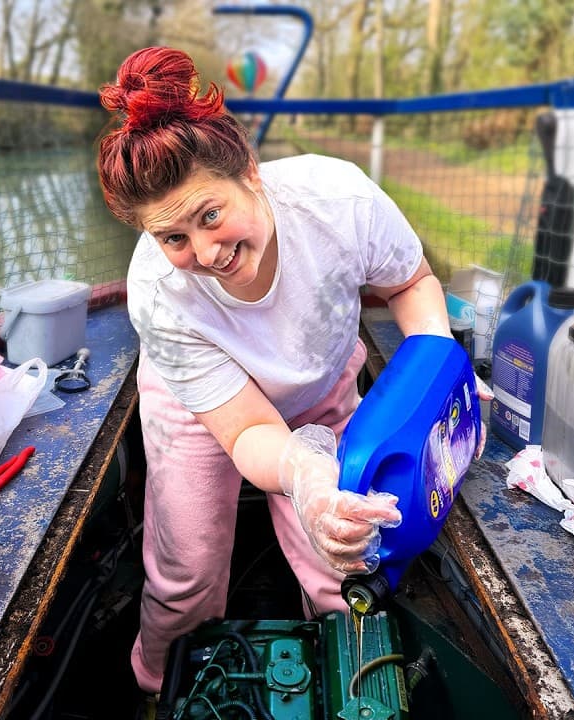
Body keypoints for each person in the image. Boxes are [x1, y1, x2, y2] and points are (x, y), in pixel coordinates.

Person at [95, 46, 490, 694]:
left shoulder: (339, 200)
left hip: (320, 382)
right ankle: (156, 685)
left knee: (345, 559)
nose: (205, 252)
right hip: (206, 413)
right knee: (185, 568)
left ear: (249, 171)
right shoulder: (159, 291)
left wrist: (436, 375)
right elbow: (249, 433)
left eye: (210, 215)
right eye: (174, 238)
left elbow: (412, 282)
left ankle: (352, 681)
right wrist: (303, 473)